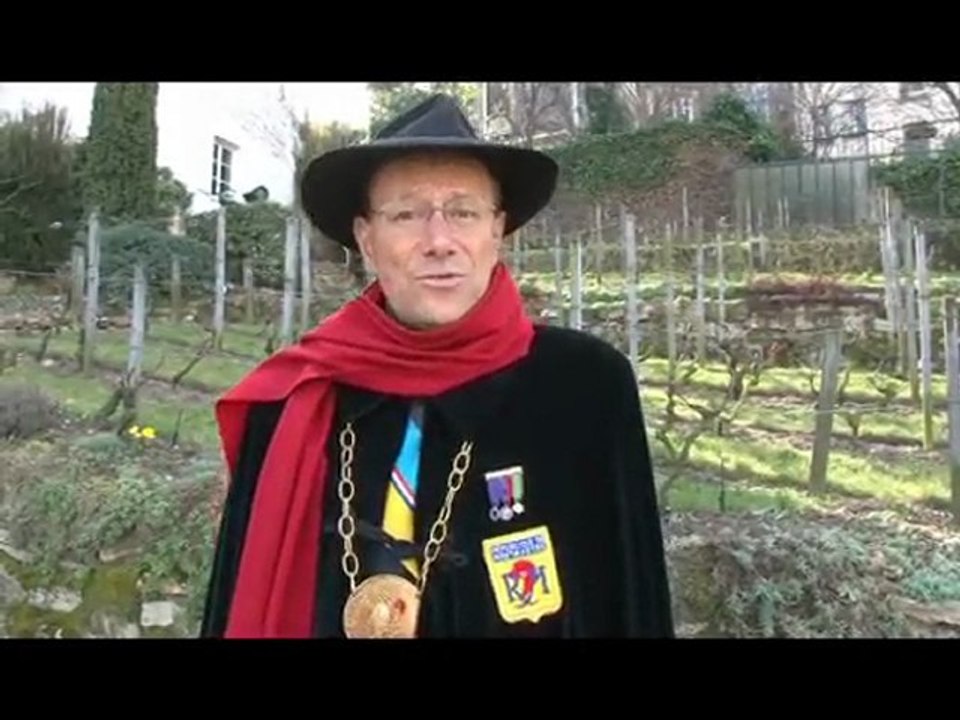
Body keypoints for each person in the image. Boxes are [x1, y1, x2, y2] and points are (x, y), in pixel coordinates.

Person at [200, 93, 674, 639]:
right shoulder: (292, 399)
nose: (439, 241)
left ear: (497, 231)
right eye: (406, 214)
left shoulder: (584, 387)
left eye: (464, 212)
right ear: (366, 239)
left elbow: (630, 600)